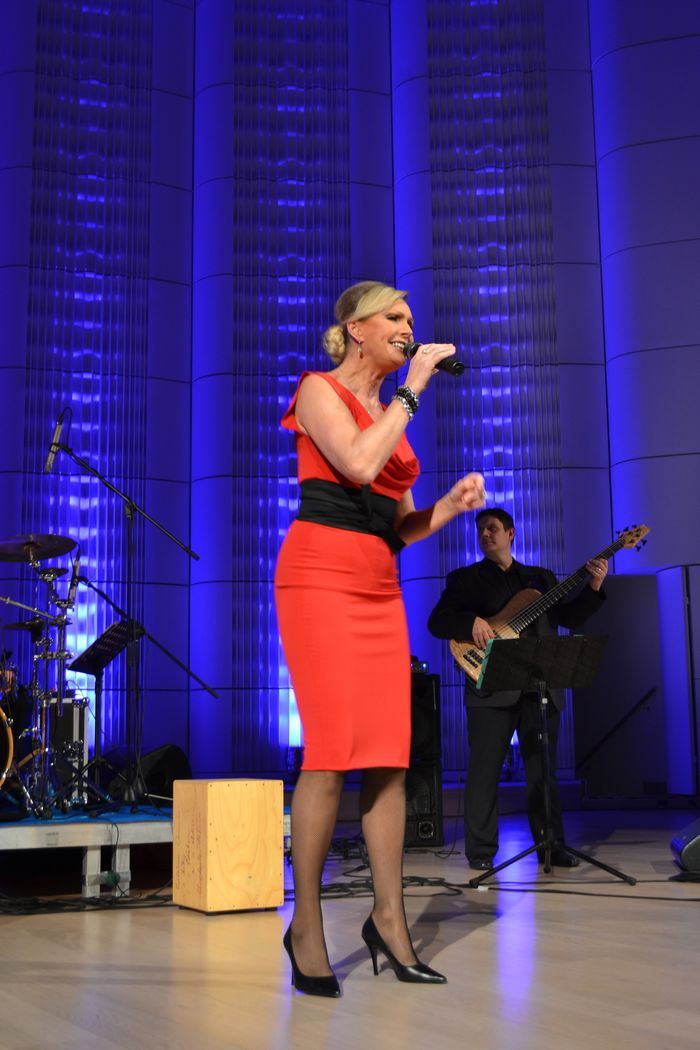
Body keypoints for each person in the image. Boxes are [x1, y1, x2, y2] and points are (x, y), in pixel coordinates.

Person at [274, 280, 485, 996]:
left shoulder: (391, 417)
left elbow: (399, 528)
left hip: (376, 587)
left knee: (391, 759)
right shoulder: (319, 391)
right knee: (331, 754)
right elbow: (358, 466)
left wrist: (446, 508)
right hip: (318, 580)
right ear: (357, 328)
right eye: (395, 316)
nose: (407, 326)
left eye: (411, 319)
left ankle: (389, 920)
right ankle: (306, 925)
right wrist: (415, 387)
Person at [427, 508, 608, 870]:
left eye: (492, 528)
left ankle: (551, 847)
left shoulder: (541, 577)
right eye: (481, 530)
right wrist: (471, 622)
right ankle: (481, 853)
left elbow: (570, 618)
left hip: (539, 687)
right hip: (489, 688)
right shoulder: (466, 579)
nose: (485, 534)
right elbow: (437, 622)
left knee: (544, 773)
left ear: (510, 533)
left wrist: (594, 587)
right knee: (484, 772)